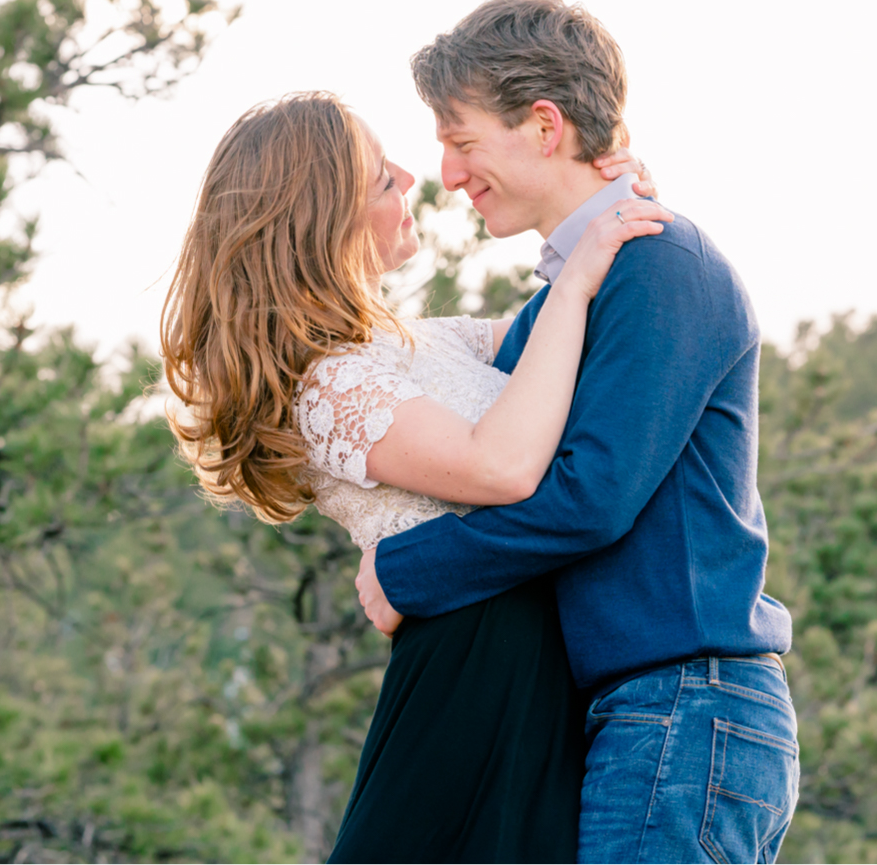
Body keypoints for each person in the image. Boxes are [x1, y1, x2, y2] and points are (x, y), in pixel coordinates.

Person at [159, 91, 668, 863]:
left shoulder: (424, 344)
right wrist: (574, 282)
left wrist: (613, 208)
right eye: (379, 176)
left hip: (538, 668)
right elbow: (500, 467)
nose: (409, 177)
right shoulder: (326, 386)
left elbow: (586, 332)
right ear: (324, 219)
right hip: (472, 675)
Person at [354, 0, 800, 864]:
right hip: (642, 711)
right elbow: (455, 378)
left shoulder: (660, 265)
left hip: (686, 707)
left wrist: (407, 569)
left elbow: (593, 497)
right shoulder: (578, 292)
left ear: (544, 125)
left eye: (462, 140)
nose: (448, 174)